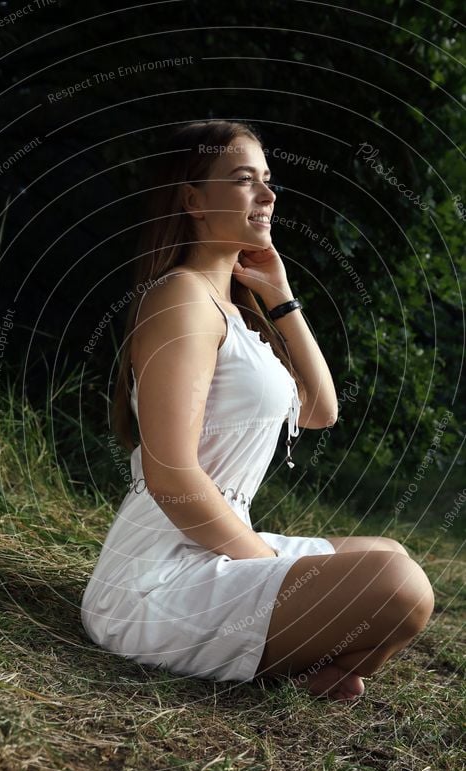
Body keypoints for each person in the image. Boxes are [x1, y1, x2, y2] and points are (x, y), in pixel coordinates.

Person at [81, 119, 434, 701]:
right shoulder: (182, 298)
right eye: (246, 180)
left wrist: (280, 294)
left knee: (389, 554)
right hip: (156, 580)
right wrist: (262, 560)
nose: (268, 196)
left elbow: (320, 410)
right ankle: (293, 663)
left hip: (217, 547)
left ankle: (301, 669)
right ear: (192, 199)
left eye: (268, 180)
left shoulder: (236, 315)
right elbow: (171, 477)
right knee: (398, 584)